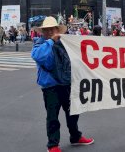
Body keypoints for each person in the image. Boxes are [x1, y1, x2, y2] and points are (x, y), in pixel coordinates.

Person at [31, 16, 94, 152]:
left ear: (56, 29)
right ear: (42, 31)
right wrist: (51, 42)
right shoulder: (39, 43)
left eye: (51, 29)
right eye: (46, 30)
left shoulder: (64, 42)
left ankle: (75, 136)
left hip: (66, 83)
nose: (49, 32)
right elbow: (38, 56)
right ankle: (53, 145)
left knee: (73, 112)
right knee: (52, 116)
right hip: (50, 87)